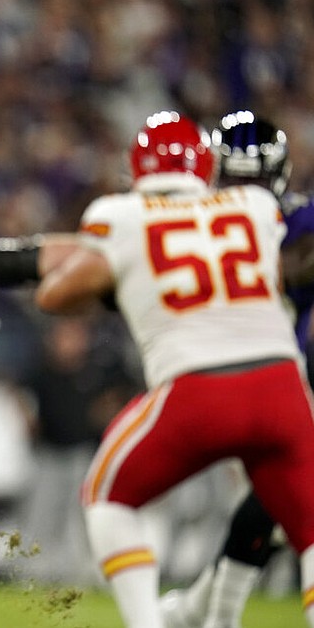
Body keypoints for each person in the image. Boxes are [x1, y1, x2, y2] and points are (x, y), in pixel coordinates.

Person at [33, 110, 314, 628]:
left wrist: (118, 282)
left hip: (198, 386)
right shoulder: (255, 207)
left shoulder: (119, 215)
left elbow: (56, 297)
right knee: (310, 533)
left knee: (107, 496)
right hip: (283, 387)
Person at [161, 111, 314, 628]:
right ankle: (204, 613)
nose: (246, 193)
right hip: (253, 382)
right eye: (238, 179)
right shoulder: (279, 223)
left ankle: (198, 611)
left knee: (277, 508)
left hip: (261, 382)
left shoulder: (292, 223)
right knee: (288, 505)